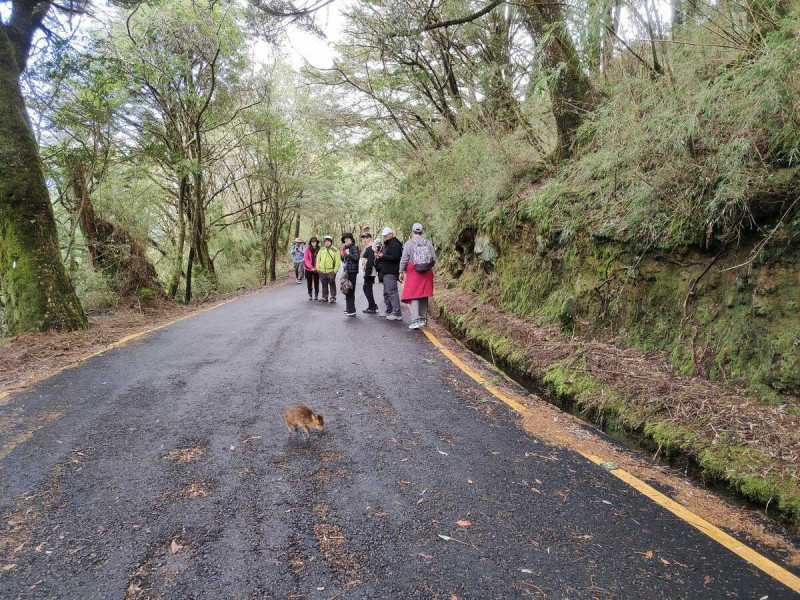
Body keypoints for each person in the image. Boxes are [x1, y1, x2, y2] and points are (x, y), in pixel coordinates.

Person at [400, 222, 436, 329]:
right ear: (422, 232)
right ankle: (422, 319)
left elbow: (404, 259)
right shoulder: (428, 243)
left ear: (412, 232)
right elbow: (433, 258)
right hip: (427, 271)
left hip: (414, 271)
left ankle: (415, 320)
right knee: (424, 293)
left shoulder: (409, 243)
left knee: (414, 295)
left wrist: (401, 271)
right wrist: (427, 265)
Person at [376, 226, 403, 321]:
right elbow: (387, 256)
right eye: (384, 236)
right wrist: (381, 257)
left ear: (391, 234)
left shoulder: (395, 244)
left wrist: (383, 256)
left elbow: (395, 258)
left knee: (392, 292)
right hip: (386, 271)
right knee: (386, 293)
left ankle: (397, 313)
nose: (385, 237)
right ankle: (389, 310)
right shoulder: (388, 244)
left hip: (391, 271)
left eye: (386, 235)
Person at [340, 233, 360, 317]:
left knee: (351, 290)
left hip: (352, 271)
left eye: (348, 238)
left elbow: (356, 258)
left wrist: (348, 253)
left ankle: (352, 310)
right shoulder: (346, 248)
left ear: (351, 239)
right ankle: (349, 308)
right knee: (347, 289)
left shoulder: (354, 247)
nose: (346, 240)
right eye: (345, 239)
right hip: (347, 271)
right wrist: (342, 254)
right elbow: (343, 260)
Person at [316, 235, 341, 303]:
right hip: (322, 271)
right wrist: (318, 268)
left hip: (331, 271)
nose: (327, 242)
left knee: (332, 284)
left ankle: (333, 298)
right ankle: (325, 297)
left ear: (331, 242)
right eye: (325, 241)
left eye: (328, 241)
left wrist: (335, 271)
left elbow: (337, 261)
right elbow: (318, 259)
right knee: (324, 285)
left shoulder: (335, 250)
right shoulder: (321, 249)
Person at [360, 232, 379, 314]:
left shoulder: (371, 247)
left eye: (366, 238)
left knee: (367, 289)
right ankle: (372, 306)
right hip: (368, 272)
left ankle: (372, 307)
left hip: (370, 272)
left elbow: (370, 262)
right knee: (367, 289)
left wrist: (367, 274)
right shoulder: (368, 247)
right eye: (363, 238)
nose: (365, 239)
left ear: (370, 238)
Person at [303, 236, 320, 301]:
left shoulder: (319, 249)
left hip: (316, 269)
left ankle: (316, 295)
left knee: (316, 282)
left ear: (316, 242)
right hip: (308, 269)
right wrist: (311, 267)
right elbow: (306, 259)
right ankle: (310, 294)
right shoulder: (307, 249)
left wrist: (316, 267)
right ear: (310, 242)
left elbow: (320, 259)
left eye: (315, 242)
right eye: (312, 242)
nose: (313, 243)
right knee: (309, 282)